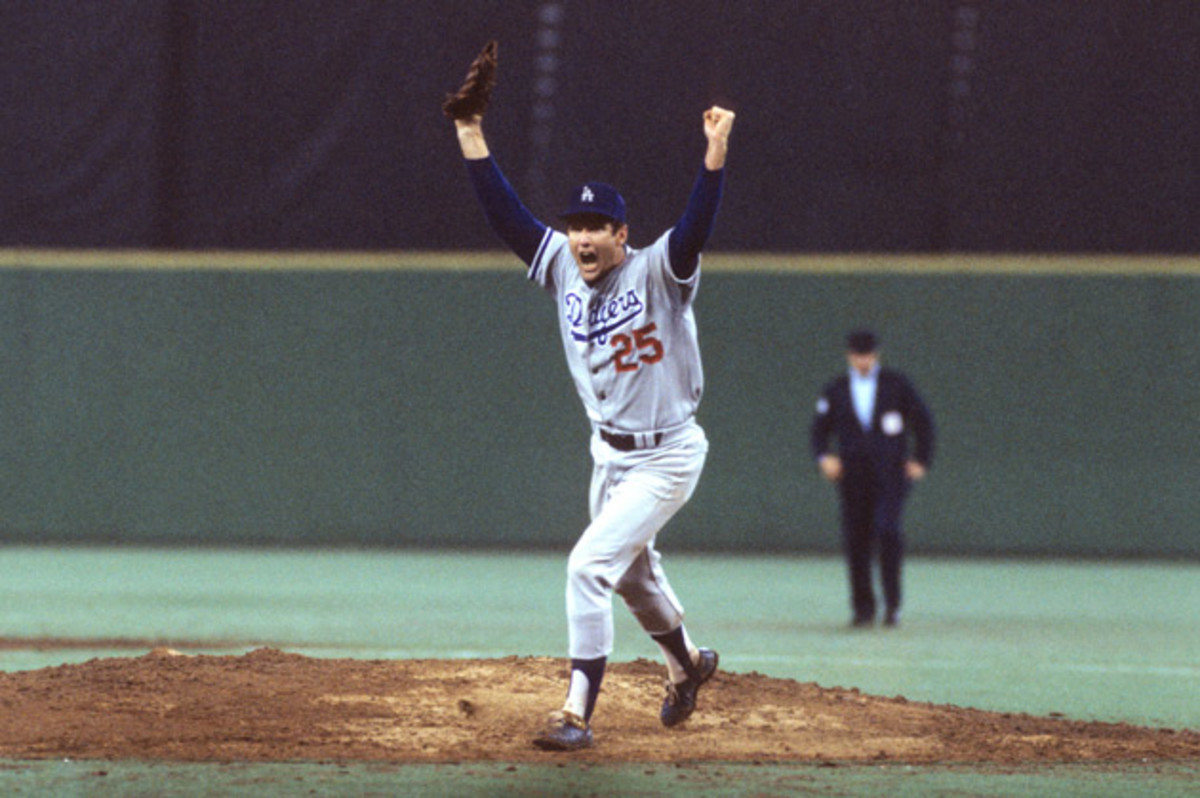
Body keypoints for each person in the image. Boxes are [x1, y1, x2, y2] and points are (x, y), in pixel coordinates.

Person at [449, 68, 735, 749]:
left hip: (666, 453)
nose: (579, 238)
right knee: (634, 577)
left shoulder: (658, 270)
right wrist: (470, 132)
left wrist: (715, 154)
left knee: (588, 567)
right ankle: (688, 665)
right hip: (609, 454)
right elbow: (507, 215)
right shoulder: (559, 269)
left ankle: (577, 712)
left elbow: (694, 228)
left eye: (594, 227)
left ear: (620, 233)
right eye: (573, 225)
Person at [810, 329, 935, 628]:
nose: (863, 360)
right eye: (857, 355)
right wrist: (824, 457)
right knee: (857, 538)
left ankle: (892, 605)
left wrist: (921, 459)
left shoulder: (896, 385)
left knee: (887, 530)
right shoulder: (837, 389)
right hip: (853, 476)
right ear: (849, 356)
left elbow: (924, 421)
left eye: (867, 354)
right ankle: (863, 608)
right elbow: (819, 430)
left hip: (890, 473)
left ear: (876, 355)